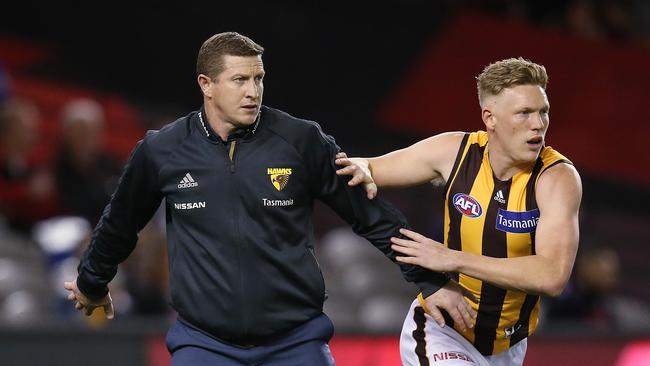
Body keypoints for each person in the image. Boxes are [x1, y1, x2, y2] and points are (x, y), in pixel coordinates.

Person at [63, 32, 474, 365]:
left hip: (295, 342)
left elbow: (370, 215)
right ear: (206, 85)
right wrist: (92, 283)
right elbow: (120, 223)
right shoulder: (161, 150)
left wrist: (430, 280)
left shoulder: (301, 141)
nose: (252, 91)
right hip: (203, 344)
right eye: (239, 80)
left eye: (258, 79)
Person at [336, 57, 582, 365]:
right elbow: (371, 166)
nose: (538, 124)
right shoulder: (455, 152)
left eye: (543, 111)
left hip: (509, 347)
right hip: (442, 330)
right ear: (490, 118)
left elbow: (553, 275)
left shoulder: (556, 177)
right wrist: (359, 166)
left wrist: (453, 259)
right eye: (524, 113)